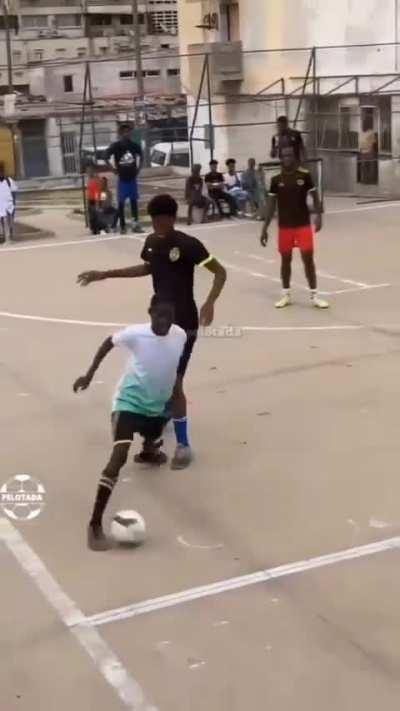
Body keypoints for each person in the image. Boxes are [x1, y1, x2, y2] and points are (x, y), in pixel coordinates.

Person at [77, 194, 227, 470]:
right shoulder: (151, 243)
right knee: (158, 375)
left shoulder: (188, 245)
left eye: (160, 221)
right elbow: (148, 268)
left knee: (176, 382)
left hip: (184, 322)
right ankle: (163, 418)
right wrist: (105, 274)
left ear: (171, 218)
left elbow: (220, 272)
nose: (156, 226)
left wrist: (210, 302)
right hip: (160, 322)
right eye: (153, 221)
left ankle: (183, 445)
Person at [73, 295, 187, 551]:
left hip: (156, 406)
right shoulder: (136, 334)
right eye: (159, 315)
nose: (164, 321)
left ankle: (149, 450)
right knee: (119, 455)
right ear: (150, 314)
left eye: (168, 316)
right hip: (128, 402)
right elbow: (107, 343)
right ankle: (94, 524)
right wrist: (89, 375)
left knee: (156, 429)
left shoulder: (179, 335)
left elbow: (171, 369)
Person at [260, 145, 328, 309]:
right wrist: (265, 227)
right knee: (286, 260)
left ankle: (315, 296)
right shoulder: (276, 180)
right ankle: (286, 295)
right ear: (281, 159)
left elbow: (315, 196)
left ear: (295, 157)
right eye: (284, 156)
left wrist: (318, 216)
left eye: (289, 155)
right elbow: (271, 205)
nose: (287, 158)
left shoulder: (304, 175)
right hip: (285, 227)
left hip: (303, 225)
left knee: (308, 259)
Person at [105, 123, 143, 234]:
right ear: (120, 133)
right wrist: (112, 169)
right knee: (121, 204)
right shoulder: (116, 146)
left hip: (132, 179)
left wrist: (139, 169)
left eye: (128, 131)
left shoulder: (134, 145)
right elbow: (105, 156)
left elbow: (142, 156)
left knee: (134, 202)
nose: (127, 134)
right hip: (122, 180)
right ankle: (122, 226)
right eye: (124, 132)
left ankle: (135, 224)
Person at [0, 162, 16, 244]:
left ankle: (9, 239)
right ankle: (4, 238)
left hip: (8, 205)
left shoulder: (9, 181)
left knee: (8, 222)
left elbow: (14, 193)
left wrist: (13, 204)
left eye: (1, 171)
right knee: (2, 222)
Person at [86, 167, 101, 235]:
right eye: (88, 172)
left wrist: (98, 202)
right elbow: (89, 191)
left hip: (95, 200)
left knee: (95, 215)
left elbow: (97, 191)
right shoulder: (89, 180)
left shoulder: (96, 180)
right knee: (91, 215)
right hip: (90, 199)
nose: (88, 173)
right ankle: (93, 229)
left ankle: (96, 229)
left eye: (89, 172)